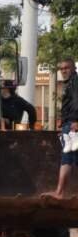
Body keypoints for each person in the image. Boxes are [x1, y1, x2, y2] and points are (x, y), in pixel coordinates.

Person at [52, 58, 78, 198]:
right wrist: (63, 121)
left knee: (67, 157)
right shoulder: (71, 83)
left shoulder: (75, 82)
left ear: (73, 68)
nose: (63, 71)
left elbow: (77, 101)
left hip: (73, 124)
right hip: (69, 123)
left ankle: (59, 192)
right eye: (61, 68)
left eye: (66, 68)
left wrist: (75, 121)